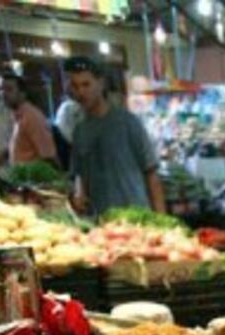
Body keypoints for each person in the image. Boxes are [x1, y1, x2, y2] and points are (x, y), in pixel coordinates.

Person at [65, 57, 164, 216]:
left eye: (86, 84)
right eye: (75, 86)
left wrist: (161, 219)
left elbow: (151, 173)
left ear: (101, 84)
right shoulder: (80, 131)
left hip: (136, 219)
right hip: (101, 222)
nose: (81, 92)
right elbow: (79, 174)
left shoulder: (128, 123)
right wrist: (78, 194)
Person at [0, 73, 57, 167]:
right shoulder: (17, 116)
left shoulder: (32, 117)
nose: (3, 94)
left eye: (9, 89)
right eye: (1, 89)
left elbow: (48, 156)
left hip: (34, 175)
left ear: (22, 93)